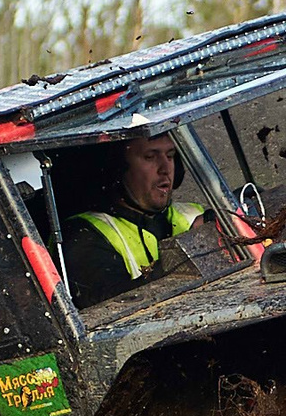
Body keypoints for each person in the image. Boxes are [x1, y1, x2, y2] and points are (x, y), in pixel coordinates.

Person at [61, 132, 204, 308]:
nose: (165, 168)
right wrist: (197, 246)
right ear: (117, 168)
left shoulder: (194, 213)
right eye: (150, 157)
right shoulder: (83, 235)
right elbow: (110, 307)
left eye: (170, 156)